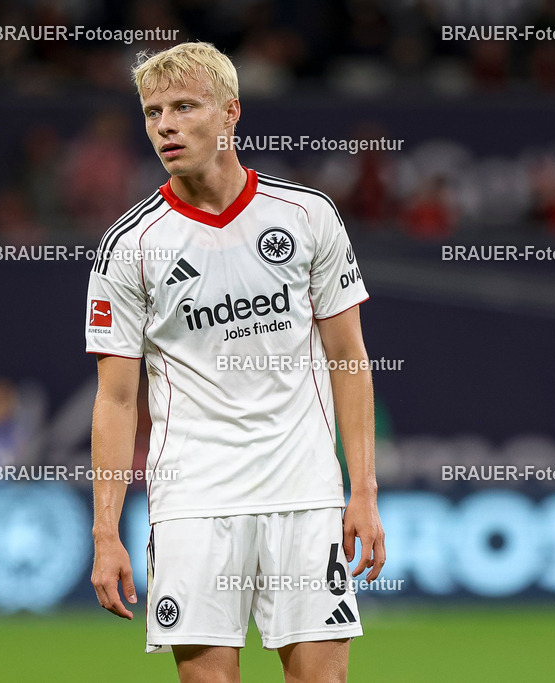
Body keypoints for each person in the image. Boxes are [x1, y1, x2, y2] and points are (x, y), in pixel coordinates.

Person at [85, 42, 385, 683]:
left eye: (184, 107)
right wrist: (105, 531)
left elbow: (349, 360)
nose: (165, 125)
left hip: (304, 491)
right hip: (193, 498)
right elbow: (114, 398)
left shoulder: (307, 217)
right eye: (152, 111)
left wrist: (363, 490)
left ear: (230, 114)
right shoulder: (130, 246)